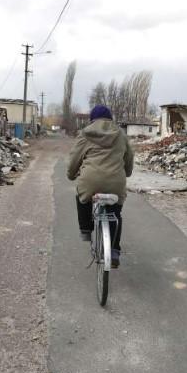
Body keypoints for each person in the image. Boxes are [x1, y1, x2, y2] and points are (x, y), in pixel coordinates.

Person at [67, 105, 134, 268]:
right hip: (115, 183)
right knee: (115, 212)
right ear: (110, 118)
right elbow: (129, 158)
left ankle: (85, 230)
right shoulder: (121, 134)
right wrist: (127, 172)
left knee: (81, 197)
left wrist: (71, 174)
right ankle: (114, 251)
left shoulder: (85, 134)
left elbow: (75, 159)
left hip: (90, 181)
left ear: (92, 119)